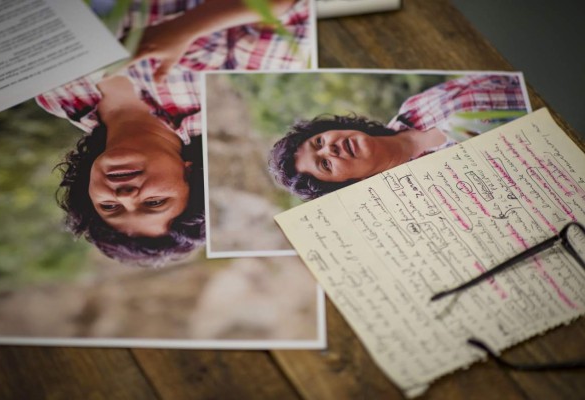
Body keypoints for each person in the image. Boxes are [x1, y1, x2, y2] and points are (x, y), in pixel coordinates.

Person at [36, 0, 309, 265]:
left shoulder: (56, 97)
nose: (124, 196)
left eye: (110, 207)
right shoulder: (221, 89)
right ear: (189, 173)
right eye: (154, 202)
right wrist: (185, 28)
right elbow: (290, 8)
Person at [269, 74, 528, 200]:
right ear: (343, 183)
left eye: (319, 142)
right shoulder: (426, 190)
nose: (330, 149)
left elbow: (497, 79)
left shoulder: (413, 107)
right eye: (324, 163)